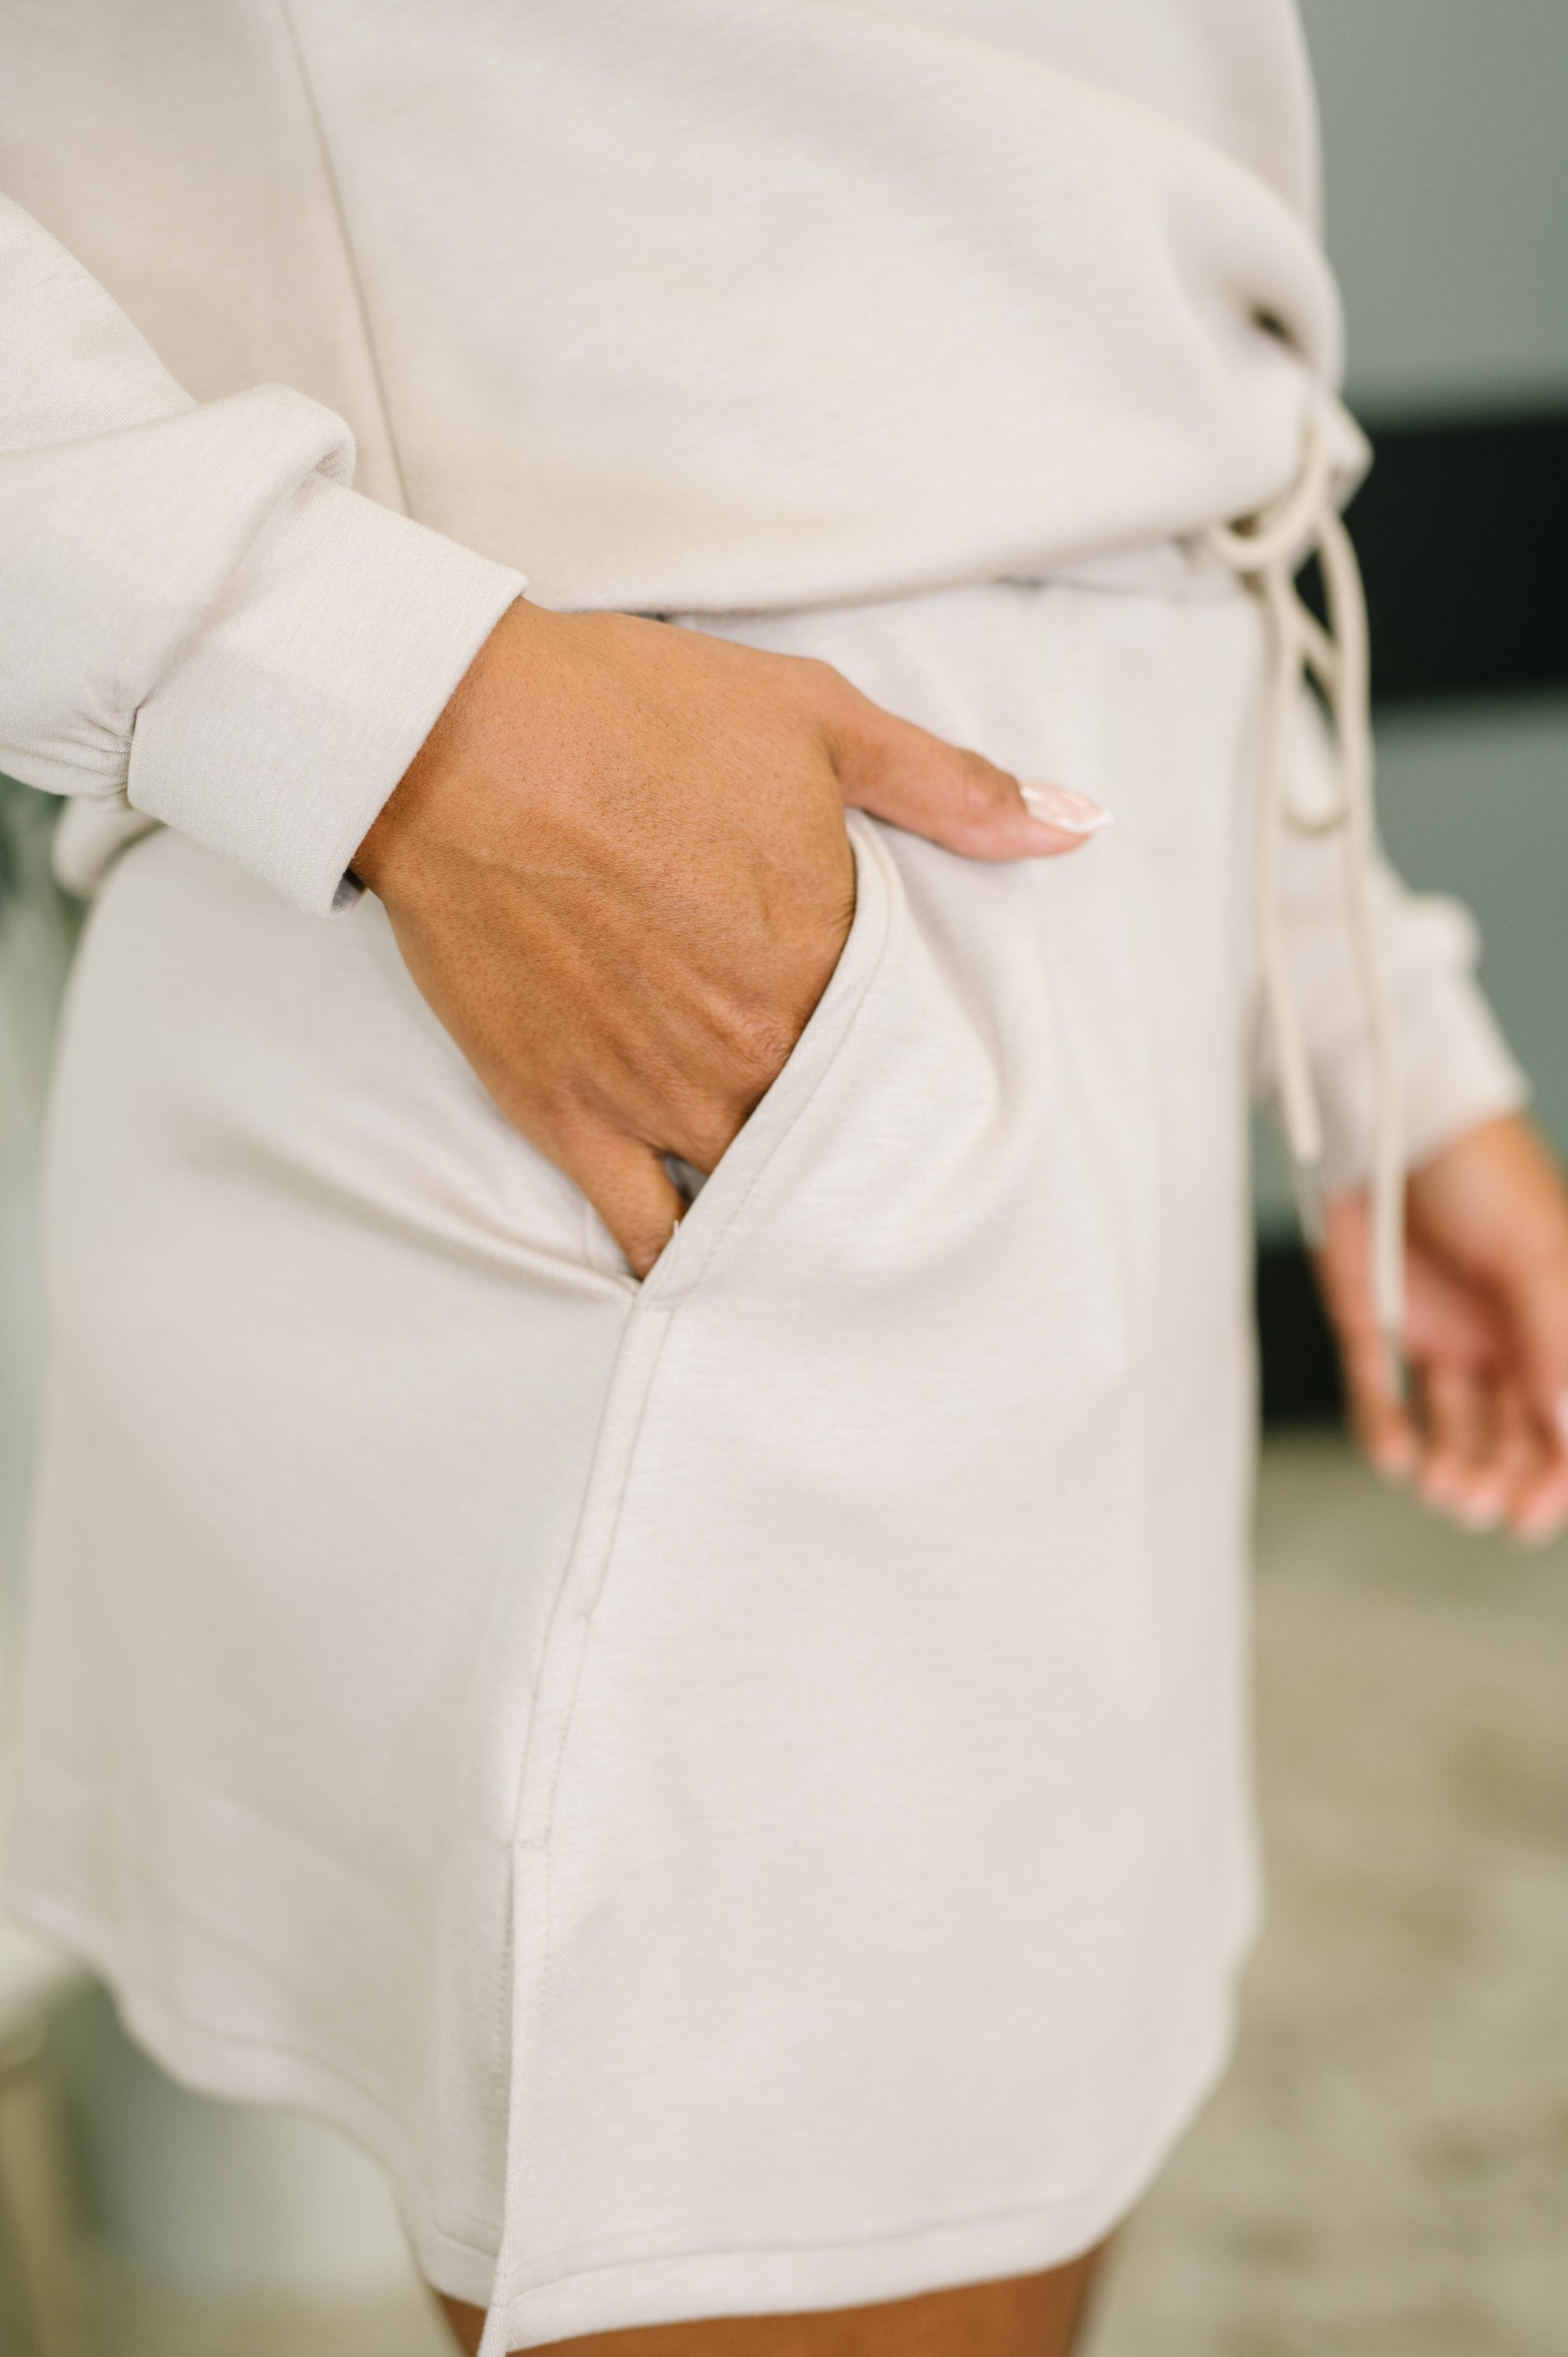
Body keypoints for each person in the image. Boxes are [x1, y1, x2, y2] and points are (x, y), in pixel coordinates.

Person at [3, 6, 1567, 2352]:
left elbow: (1078, 248)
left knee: (1002, 2192)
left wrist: (1367, 1026)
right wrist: (375, 698)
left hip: (984, 952)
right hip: (645, 999)